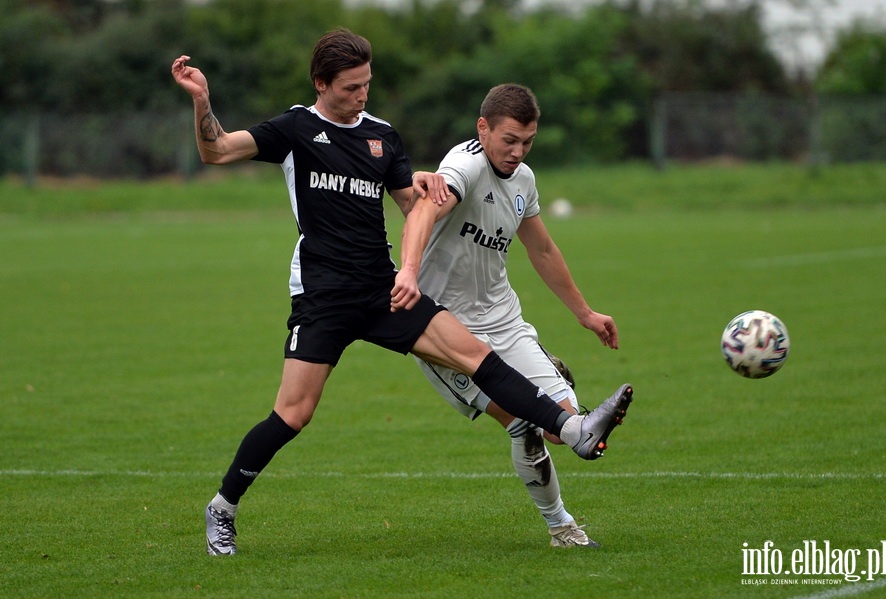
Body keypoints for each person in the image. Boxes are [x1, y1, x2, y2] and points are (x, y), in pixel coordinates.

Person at [171, 29, 632, 557]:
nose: (361, 95)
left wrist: (424, 191)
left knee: (475, 354)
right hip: (322, 297)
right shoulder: (296, 128)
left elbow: (411, 207)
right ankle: (222, 508)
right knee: (294, 414)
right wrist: (203, 100)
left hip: (382, 291)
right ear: (321, 84)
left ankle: (572, 428)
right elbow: (216, 150)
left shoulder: (382, 137)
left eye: (367, 84)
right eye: (350, 87)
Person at [400, 84, 634, 548]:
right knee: (527, 424)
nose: (518, 151)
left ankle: (574, 421)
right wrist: (408, 270)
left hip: (505, 320)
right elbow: (425, 209)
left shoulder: (523, 179)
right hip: (444, 330)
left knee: (568, 426)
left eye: (527, 141)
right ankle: (562, 527)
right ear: (482, 128)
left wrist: (585, 313)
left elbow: (542, 248)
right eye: (509, 139)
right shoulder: (464, 165)